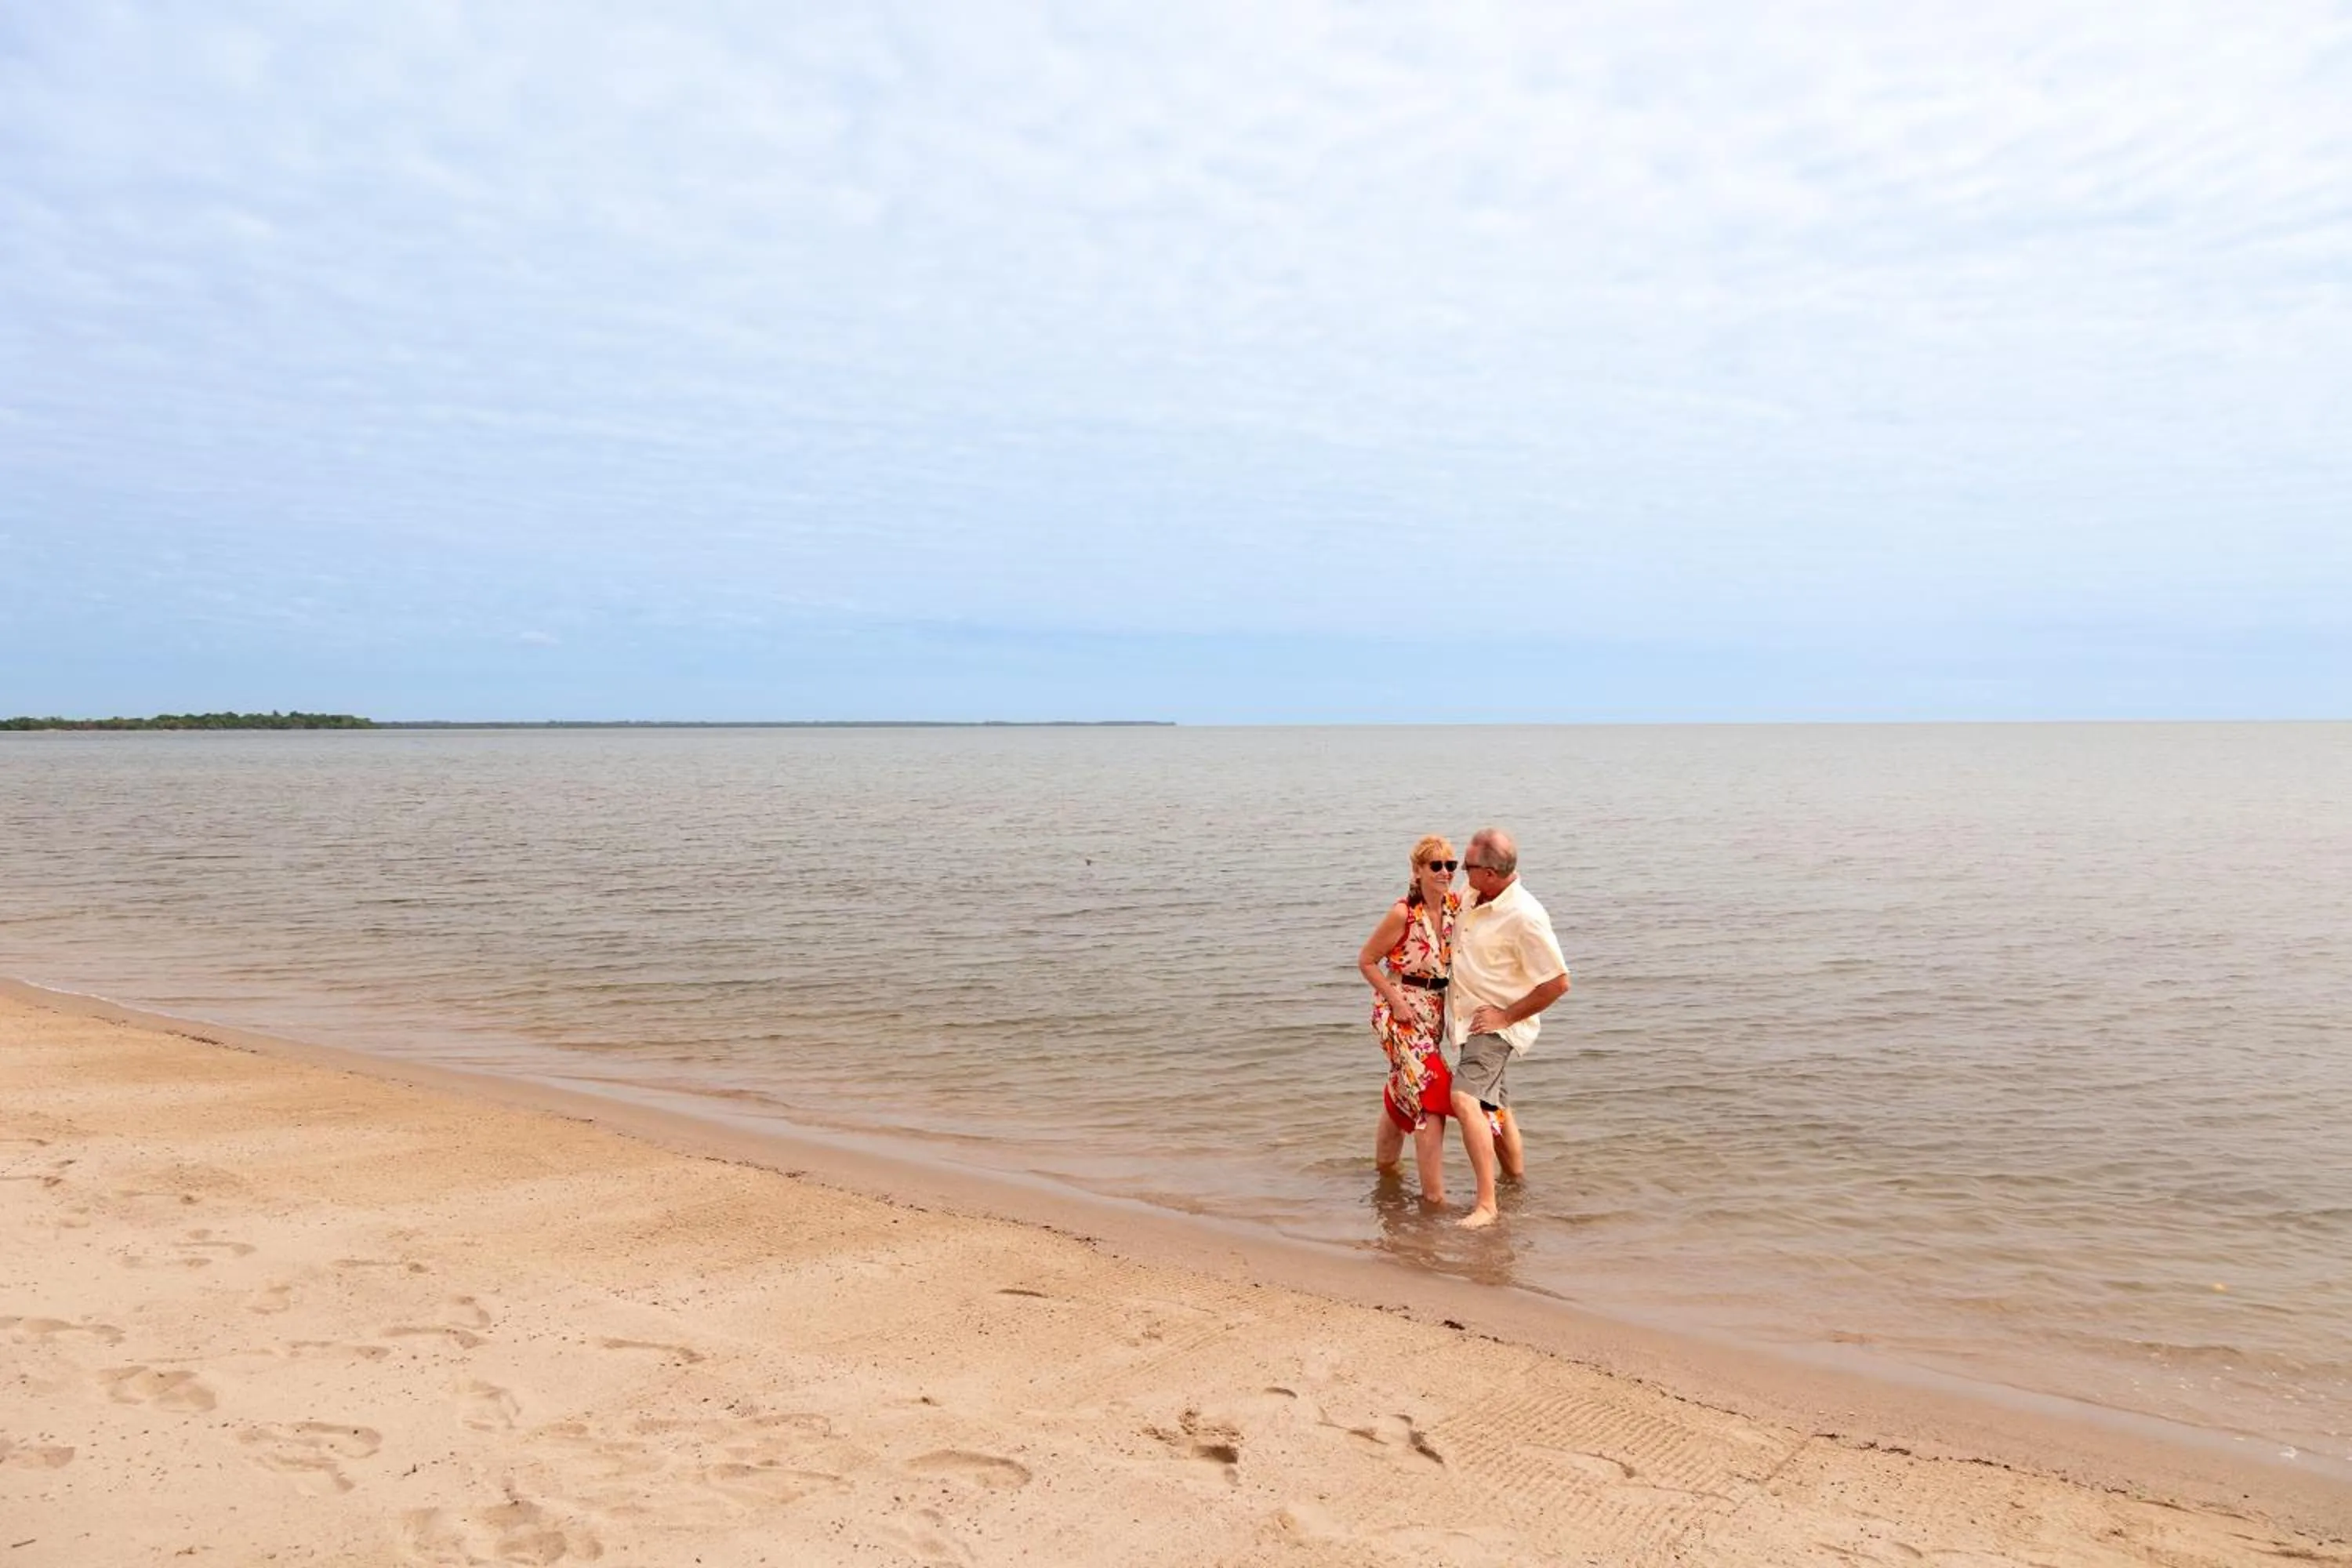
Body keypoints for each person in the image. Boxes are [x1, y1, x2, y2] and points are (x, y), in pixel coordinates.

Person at [1448, 827, 1570, 1229]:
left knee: (1465, 1100)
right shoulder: (1474, 894)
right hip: (1468, 1021)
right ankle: (1516, 1181)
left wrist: (1505, 1017)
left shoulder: (1525, 916)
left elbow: (1557, 982)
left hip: (1495, 1025)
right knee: (1494, 1105)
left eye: (1466, 866)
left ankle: (1487, 1205)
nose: (1459, 872)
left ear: (1489, 872)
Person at [1356, 835, 1462, 1205]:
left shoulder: (1454, 907)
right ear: (1417, 871)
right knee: (1432, 1095)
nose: (1445, 872)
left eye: (1451, 865)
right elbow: (1367, 960)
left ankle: (1385, 1172)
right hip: (1396, 1012)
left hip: (1432, 1012)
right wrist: (1395, 999)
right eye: (1436, 866)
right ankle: (1435, 1200)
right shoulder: (1403, 912)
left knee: (1405, 1087)